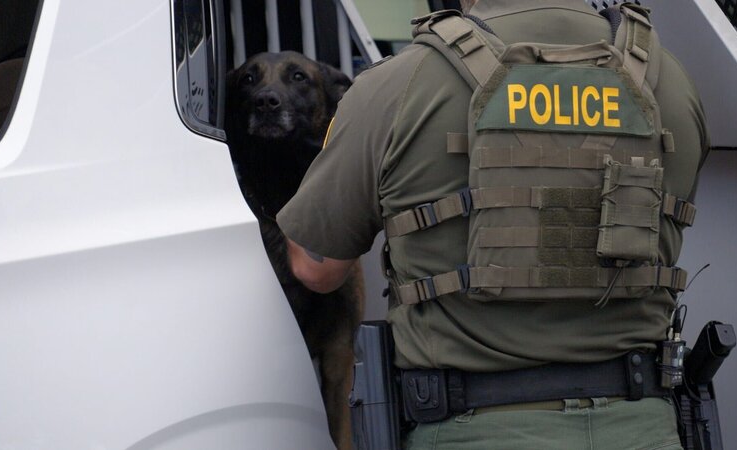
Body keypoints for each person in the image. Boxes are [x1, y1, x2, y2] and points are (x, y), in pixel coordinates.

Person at [276, 0, 709, 448]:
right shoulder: (669, 82)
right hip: (646, 428)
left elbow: (318, 267)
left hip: (468, 428)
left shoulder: (397, 83)